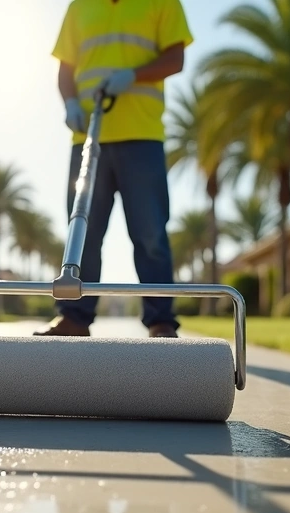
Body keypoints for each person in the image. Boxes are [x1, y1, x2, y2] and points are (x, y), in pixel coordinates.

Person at [34, 0, 193, 339]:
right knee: (83, 234)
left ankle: (160, 320)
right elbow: (65, 69)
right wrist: (71, 103)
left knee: (150, 234)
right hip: (88, 137)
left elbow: (175, 58)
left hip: (142, 136)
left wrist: (133, 75)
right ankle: (75, 317)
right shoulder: (80, 6)